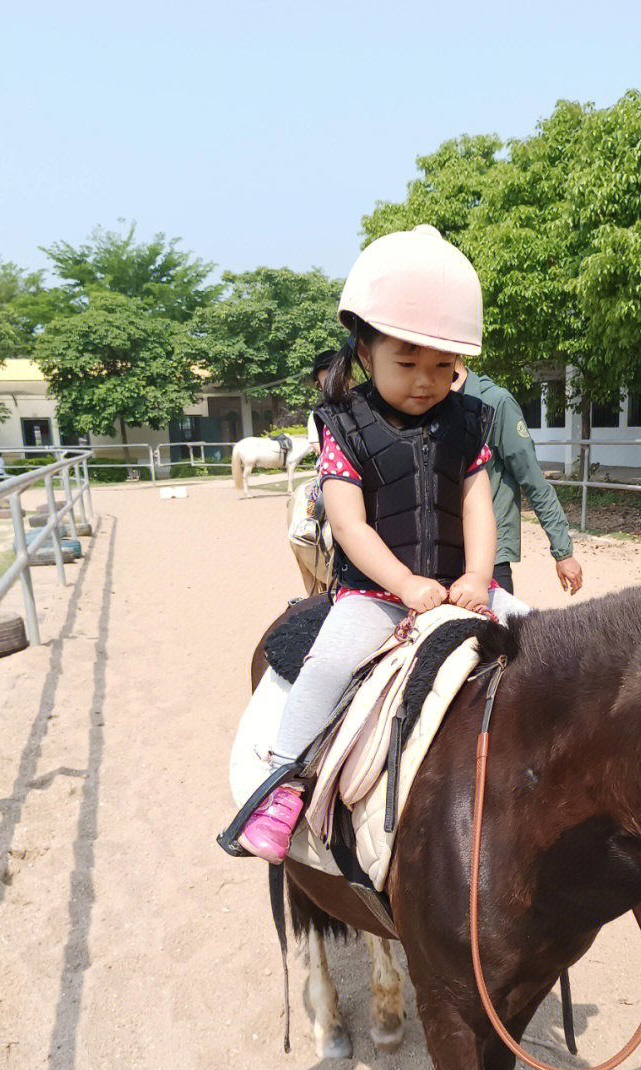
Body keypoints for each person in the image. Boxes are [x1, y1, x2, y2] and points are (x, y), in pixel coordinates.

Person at [231, 225, 526, 863]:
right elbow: (349, 525)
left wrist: (479, 577)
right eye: (409, 363)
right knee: (330, 665)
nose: (427, 381)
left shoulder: (469, 419)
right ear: (365, 350)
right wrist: (405, 586)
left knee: (546, 640)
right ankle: (280, 783)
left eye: (444, 367)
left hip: (465, 585)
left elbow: (477, 501)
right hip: (377, 592)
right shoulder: (344, 424)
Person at [452, 361, 583, 597]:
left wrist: (563, 552)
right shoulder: (426, 403)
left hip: (489, 556)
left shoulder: (495, 402)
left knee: (496, 633)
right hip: (442, 557)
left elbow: (533, 480)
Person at [306, 348, 339, 455]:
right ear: (318, 386)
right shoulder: (318, 415)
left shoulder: (363, 404)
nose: (335, 380)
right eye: (328, 378)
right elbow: (318, 447)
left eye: (339, 373)